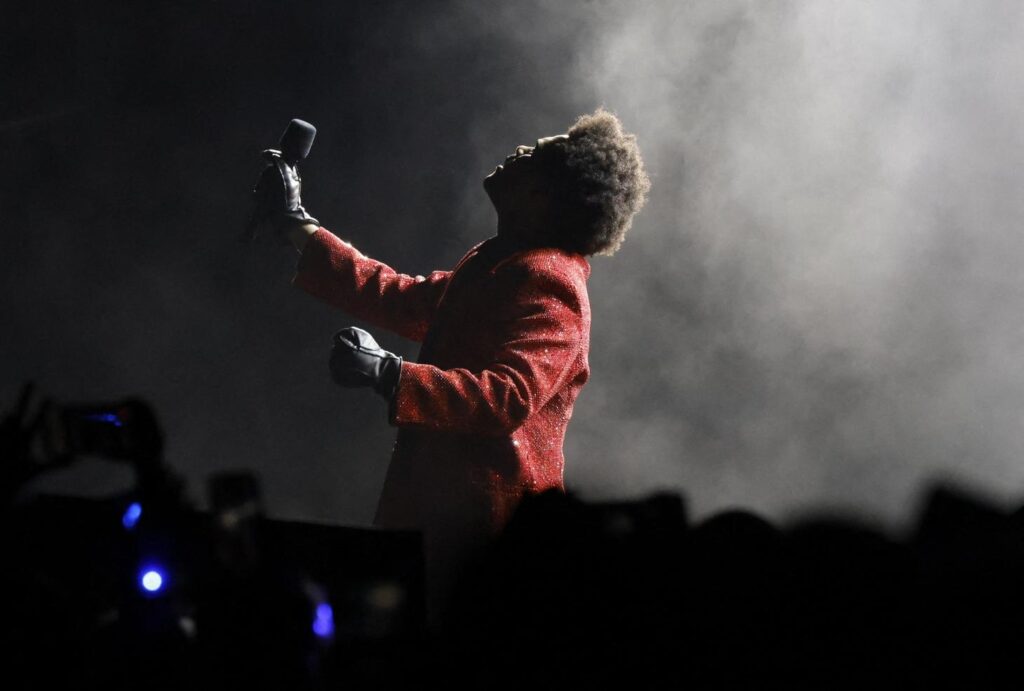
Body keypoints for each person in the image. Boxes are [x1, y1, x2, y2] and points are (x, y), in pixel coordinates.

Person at [264, 109, 649, 621]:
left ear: (544, 195)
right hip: (447, 518)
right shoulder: (503, 261)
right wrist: (296, 222)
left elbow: (508, 397)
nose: (520, 150)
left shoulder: (551, 282)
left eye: (536, 154)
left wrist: (389, 373)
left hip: (487, 536)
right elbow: (401, 299)